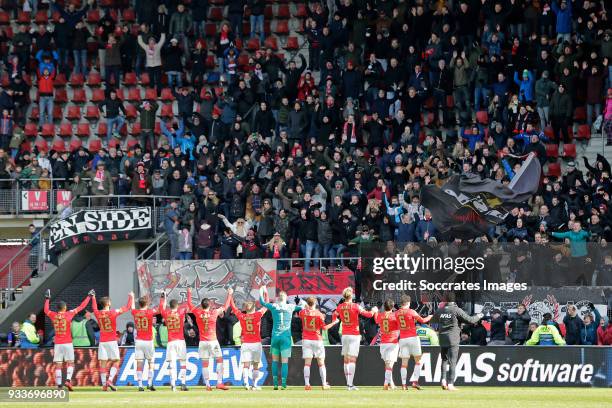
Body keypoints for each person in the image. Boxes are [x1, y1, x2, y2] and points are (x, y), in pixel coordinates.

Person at [44, 289, 93, 390]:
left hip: (58, 343)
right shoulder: (69, 314)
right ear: (65, 308)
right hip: (67, 343)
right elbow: (81, 307)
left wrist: (47, 299)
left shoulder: (53, 315)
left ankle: (59, 385)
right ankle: (67, 381)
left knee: (58, 364)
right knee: (70, 362)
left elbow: (46, 310)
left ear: (57, 308)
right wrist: (89, 296)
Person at [433, 293, 483, 391]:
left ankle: (443, 380)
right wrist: (480, 315)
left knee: (444, 359)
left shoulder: (440, 310)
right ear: (454, 299)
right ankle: (450, 384)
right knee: (453, 361)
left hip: (442, 337)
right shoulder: (456, 310)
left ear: (445, 300)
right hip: (453, 337)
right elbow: (471, 320)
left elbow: (433, 320)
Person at [330, 287, 377, 390]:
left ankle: (348, 384)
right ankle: (350, 385)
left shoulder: (340, 307)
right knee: (352, 359)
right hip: (354, 335)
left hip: (345, 335)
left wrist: (335, 321)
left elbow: (334, 314)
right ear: (351, 296)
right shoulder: (355, 306)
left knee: (346, 359)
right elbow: (368, 314)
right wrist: (373, 311)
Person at [259, 286, 304, 390]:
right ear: (286, 298)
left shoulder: (274, 306)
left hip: (275, 337)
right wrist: (299, 301)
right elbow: (302, 307)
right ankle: (283, 384)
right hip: (286, 338)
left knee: (275, 361)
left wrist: (262, 291)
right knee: (285, 362)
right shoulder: (291, 307)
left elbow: (262, 302)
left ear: (278, 298)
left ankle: (275, 384)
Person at [186, 288, 231, 391]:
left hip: (202, 342)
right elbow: (225, 306)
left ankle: (208, 385)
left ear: (201, 306)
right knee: (219, 360)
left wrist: (189, 292)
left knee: (205, 364)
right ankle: (219, 383)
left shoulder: (197, 312)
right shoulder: (214, 313)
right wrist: (229, 294)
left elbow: (189, 304)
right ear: (209, 305)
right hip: (213, 341)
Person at [91, 291, 133, 391]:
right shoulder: (113, 312)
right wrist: (131, 297)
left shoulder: (97, 313)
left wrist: (93, 297)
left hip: (102, 342)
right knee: (116, 361)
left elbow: (94, 308)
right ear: (108, 304)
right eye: (110, 301)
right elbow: (127, 307)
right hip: (111, 341)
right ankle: (110, 380)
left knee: (103, 363)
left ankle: (104, 385)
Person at [228, 287, 267, 390]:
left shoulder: (241, 316)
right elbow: (266, 305)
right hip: (256, 344)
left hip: (245, 344)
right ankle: (254, 385)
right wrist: (265, 293)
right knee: (256, 365)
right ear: (254, 308)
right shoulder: (258, 314)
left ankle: (246, 384)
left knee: (246, 365)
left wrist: (230, 295)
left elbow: (233, 307)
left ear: (246, 309)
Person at [298, 296, 336, 390]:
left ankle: (307, 384)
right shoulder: (319, 314)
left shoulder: (302, 312)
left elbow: (300, 313)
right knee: (321, 363)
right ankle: (324, 384)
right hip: (317, 339)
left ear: (307, 303)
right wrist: (334, 323)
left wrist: (306, 308)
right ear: (315, 304)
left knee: (307, 363)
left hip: (306, 339)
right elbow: (324, 328)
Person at [395, 295, 432, 390]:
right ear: (408, 302)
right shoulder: (411, 311)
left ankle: (403, 385)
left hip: (402, 339)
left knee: (404, 363)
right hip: (413, 338)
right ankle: (415, 382)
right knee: (418, 361)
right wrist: (430, 316)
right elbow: (423, 321)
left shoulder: (396, 313)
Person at [159, 291, 188, 391]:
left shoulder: (166, 313)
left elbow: (161, 308)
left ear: (170, 306)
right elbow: (187, 305)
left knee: (172, 364)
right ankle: (183, 383)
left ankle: (173, 384)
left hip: (171, 342)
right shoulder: (181, 312)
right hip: (180, 340)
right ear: (177, 306)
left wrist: (163, 297)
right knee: (183, 362)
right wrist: (188, 293)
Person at [131, 295, 159, 391]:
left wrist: (131, 297)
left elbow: (132, 307)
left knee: (139, 363)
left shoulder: (135, 312)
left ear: (139, 304)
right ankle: (149, 383)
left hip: (139, 341)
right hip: (148, 341)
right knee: (151, 362)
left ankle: (140, 385)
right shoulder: (150, 312)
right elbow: (161, 308)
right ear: (147, 304)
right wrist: (163, 297)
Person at [374, 299, 399, 390]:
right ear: (392, 307)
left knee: (387, 363)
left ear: (384, 307)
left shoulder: (380, 316)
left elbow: (376, 320)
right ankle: (385, 383)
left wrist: (376, 312)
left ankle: (391, 383)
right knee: (390, 364)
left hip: (383, 343)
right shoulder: (394, 316)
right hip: (392, 342)